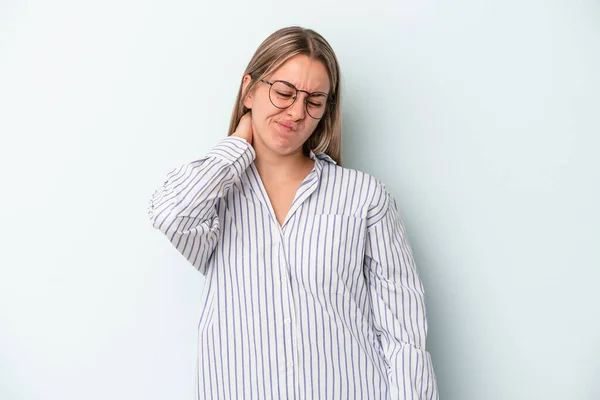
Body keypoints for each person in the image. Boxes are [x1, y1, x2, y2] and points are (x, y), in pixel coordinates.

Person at [148, 26, 439, 400]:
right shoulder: (214, 199)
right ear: (249, 89)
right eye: (284, 92)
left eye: (314, 101)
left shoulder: (364, 197)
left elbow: (404, 335)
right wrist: (238, 144)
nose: (297, 112)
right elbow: (171, 213)